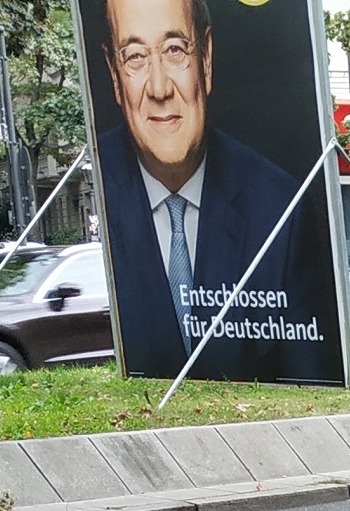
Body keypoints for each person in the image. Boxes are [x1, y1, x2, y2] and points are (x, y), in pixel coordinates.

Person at [91, 0, 336, 382]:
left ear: (205, 58)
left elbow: (311, 382)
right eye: (135, 56)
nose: (158, 88)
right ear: (114, 74)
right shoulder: (96, 185)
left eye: (175, 50)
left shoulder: (281, 208)